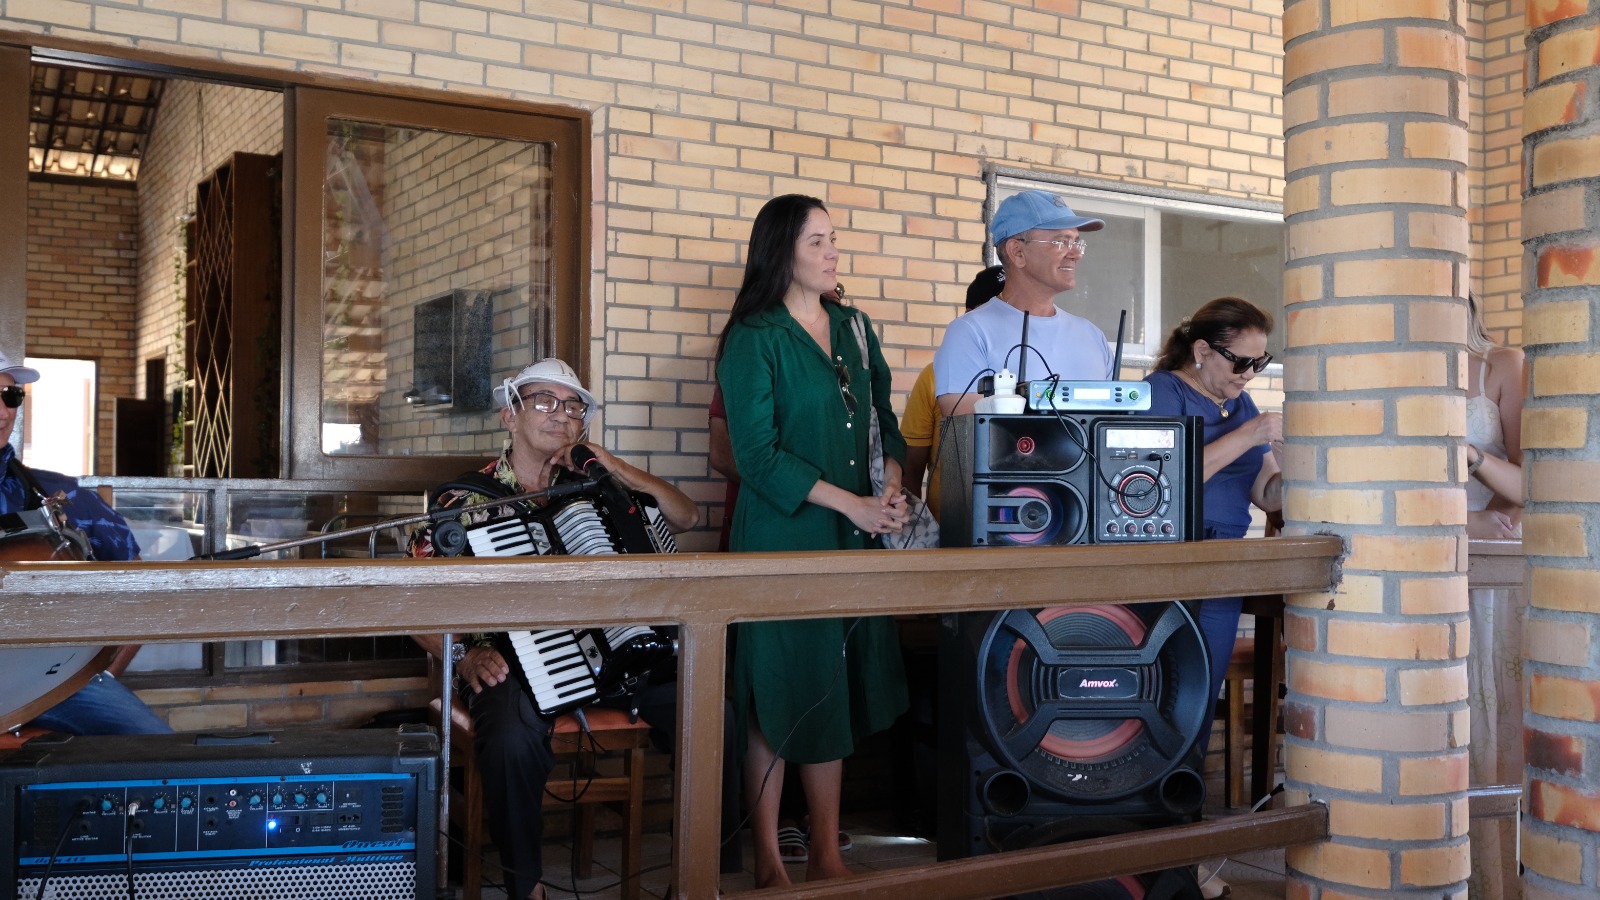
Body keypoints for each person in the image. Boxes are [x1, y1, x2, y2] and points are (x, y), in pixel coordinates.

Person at [408, 358, 737, 900]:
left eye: (573, 407)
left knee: (712, 710)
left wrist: (617, 467)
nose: (560, 415)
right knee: (510, 735)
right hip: (511, 662)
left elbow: (685, 517)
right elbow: (412, 598)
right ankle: (526, 885)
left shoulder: (599, 486)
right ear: (510, 416)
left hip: (612, 656)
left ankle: (702, 878)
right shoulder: (461, 501)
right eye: (544, 401)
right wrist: (463, 656)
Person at [714, 193, 910, 888]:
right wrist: (851, 503)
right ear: (781, 251)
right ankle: (770, 860)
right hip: (781, 535)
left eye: (833, 239)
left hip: (852, 533)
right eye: (817, 241)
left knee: (831, 681)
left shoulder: (854, 326)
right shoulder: (754, 336)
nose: (833, 252)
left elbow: (885, 420)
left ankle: (827, 853)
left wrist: (889, 486)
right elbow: (756, 456)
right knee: (775, 686)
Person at [0, 351, 171, 736]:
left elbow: (142, 584)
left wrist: (100, 672)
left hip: (51, 683)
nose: (3, 411)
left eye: (10, 396)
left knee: (157, 752)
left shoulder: (63, 494)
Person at [1143, 298, 1282, 751]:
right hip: (1170, 562)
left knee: (1199, 698)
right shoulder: (1163, 391)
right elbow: (1161, 480)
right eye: (1241, 362)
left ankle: (1188, 789)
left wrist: (1308, 462)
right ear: (1202, 350)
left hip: (1223, 566)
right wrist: (1252, 433)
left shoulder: (1242, 406)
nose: (1249, 374)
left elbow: (1267, 494)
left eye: (1260, 362)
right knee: (1162, 694)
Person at [933, 190, 1111, 416]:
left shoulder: (1092, 336)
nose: (1076, 253)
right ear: (1017, 252)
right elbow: (970, 431)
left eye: (1076, 242)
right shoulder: (970, 333)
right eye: (1061, 242)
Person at [1460, 293, 1525, 900]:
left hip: (1492, 555)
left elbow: (1532, 480)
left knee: (1489, 713)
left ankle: (1498, 868)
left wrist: (1473, 459)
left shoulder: (1501, 365)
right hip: (1423, 557)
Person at [903, 265, 1006, 514]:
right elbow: (911, 467)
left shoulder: (1036, 371)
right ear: (968, 317)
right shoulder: (935, 375)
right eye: (991, 314)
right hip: (951, 525)